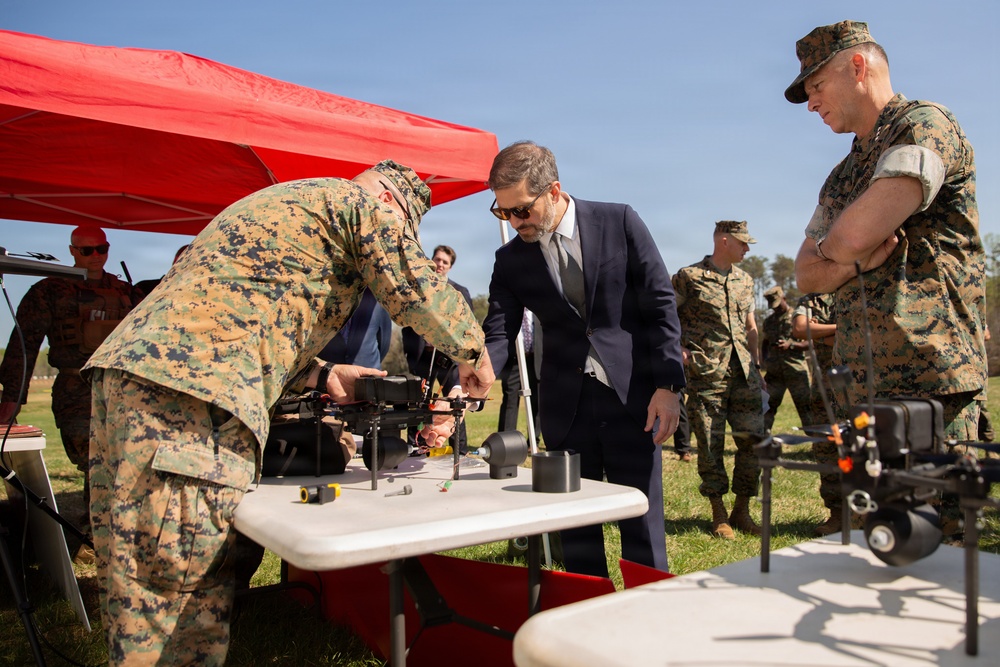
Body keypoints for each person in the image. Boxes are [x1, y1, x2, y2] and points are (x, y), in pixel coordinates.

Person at [83, 160, 495, 666]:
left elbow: (239, 325)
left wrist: (324, 376)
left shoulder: (280, 204)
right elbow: (413, 284)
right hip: (192, 403)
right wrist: (473, 352)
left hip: (131, 379)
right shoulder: (362, 205)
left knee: (136, 577)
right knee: (179, 590)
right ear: (392, 204)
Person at [789, 21, 986, 517]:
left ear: (858, 66)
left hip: (933, 382)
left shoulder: (923, 125)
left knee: (940, 548)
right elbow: (806, 275)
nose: (811, 102)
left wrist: (840, 248)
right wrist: (848, 259)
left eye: (816, 85)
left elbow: (851, 237)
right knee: (875, 541)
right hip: (864, 383)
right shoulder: (845, 171)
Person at [482, 141, 684, 577]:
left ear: (553, 191)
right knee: (575, 528)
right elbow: (500, 330)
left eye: (522, 210)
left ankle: (651, 614)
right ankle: (584, 617)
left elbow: (660, 304)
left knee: (642, 521)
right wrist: (477, 378)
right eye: (503, 213)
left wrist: (668, 387)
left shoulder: (620, 221)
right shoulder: (510, 259)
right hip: (566, 407)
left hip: (636, 400)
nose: (515, 222)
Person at [0, 226, 141, 529]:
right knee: (95, 461)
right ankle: (98, 531)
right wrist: (11, 402)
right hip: (76, 390)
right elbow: (23, 346)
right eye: (86, 250)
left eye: (101, 249)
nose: (95, 256)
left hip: (121, 388)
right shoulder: (51, 291)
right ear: (72, 251)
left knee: (123, 459)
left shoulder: (128, 292)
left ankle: (105, 530)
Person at [673, 220, 767, 539]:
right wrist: (679, 349)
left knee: (753, 439)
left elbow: (751, 326)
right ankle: (718, 512)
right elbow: (665, 317)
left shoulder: (745, 280)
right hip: (707, 372)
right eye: (743, 242)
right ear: (724, 241)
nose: (747, 248)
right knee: (711, 444)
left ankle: (742, 510)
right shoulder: (689, 277)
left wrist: (757, 366)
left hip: (744, 373)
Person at [402, 244, 475, 452]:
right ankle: (414, 446)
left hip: (449, 358)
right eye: (437, 259)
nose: (440, 264)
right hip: (422, 355)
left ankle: (459, 449)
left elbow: (468, 326)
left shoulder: (460, 291)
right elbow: (406, 321)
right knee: (417, 402)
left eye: (445, 262)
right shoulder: (417, 287)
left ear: (450, 267)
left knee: (454, 401)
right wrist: (409, 351)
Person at [792, 292, 845, 534]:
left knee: (864, 451)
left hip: (859, 390)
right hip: (824, 392)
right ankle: (837, 515)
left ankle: (864, 513)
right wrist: (842, 329)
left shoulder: (860, 286)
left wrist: (821, 334)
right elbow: (801, 330)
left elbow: (870, 331)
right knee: (827, 451)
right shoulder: (811, 299)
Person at [760, 286, 812, 432]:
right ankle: (763, 439)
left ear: (784, 299)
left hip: (796, 371)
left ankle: (816, 441)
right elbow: (765, 342)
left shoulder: (798, 318)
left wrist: (791, 344)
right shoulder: (769, 321)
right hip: (775, 373)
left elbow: (811, 342)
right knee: (767, 407)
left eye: (777, 305)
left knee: (805, 407)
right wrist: (763, 359)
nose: (774, 309)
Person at [319, 288, 392, 369]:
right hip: (327, 375)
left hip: (369, 375)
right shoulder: (320, 292)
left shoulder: (374, 294)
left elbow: (384, 342)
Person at [496, 309, 540, 435]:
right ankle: (506, 438)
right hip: (513, 360)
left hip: (535, 360)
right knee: (510, 398)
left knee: (536, 400)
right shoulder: (510, 310)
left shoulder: (537, 310)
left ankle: (534, 439)